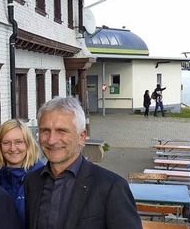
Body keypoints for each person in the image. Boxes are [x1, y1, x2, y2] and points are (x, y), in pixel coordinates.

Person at [24, 97, 141, 229]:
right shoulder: (32, 181)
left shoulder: (111, 187)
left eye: (61, 131)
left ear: (82, 137)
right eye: (46, 131)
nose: (51, 140)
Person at [0, 119, 43, 228]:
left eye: (19, 142)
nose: (12, 148)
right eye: (6, 143)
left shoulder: (43, 178)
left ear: (28, 143)